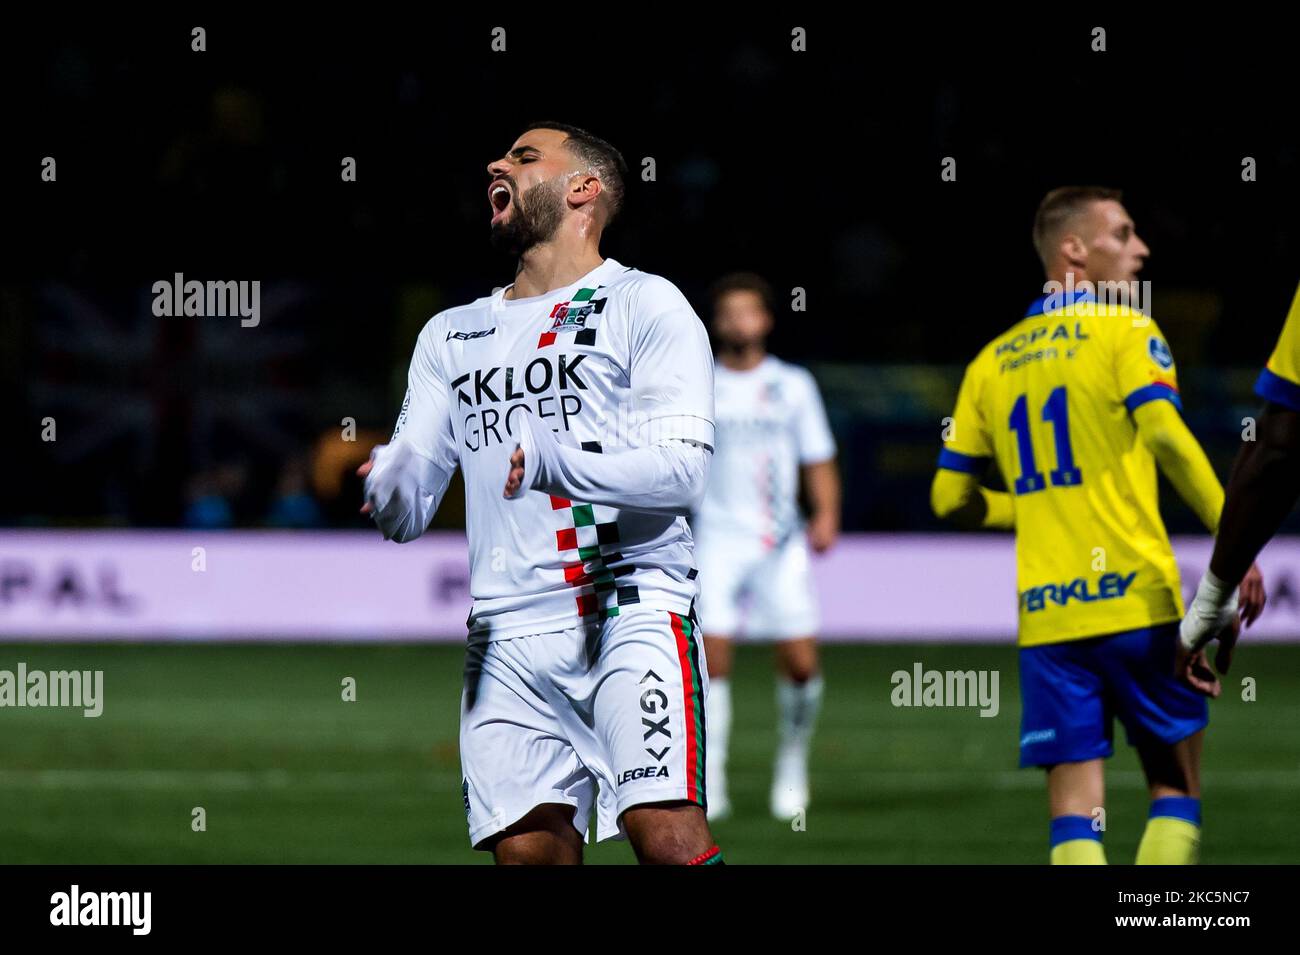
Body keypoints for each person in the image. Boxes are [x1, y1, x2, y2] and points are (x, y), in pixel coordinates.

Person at [360, 122, 723, 864]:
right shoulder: (450, 336)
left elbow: (683, 470)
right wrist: (392, 485)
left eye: (525, 157)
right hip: (502, 629)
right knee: (528, 854)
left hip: (628, 606)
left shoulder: (645, 304)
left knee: (668, 837)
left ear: (583, 188)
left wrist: (562, 461)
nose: (498, 162)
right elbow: (410, 510)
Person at [931, 186, 1263, 864]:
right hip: (1135, 601)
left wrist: (1026, 506)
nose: (1139, 248)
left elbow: (947, 498)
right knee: (1175, 787)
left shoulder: (989, 362)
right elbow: (1167, 439)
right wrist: (1237, 540)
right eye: (1123, 232)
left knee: (1076, 817)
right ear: (1073, 248)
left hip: (1048, 617)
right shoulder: (1127, 329)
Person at [693, 272, 840, 820]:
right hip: (715, 538)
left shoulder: (793, 384)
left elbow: (817, 456)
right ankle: (711, 781)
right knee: (712, 662)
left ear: (767, 319)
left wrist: (826, 514)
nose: (738, 322)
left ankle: (793, 764)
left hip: (781, 542)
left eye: (748, 312)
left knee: (801, 663)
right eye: (728, 313)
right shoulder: (698, 383)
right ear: (716, 322)